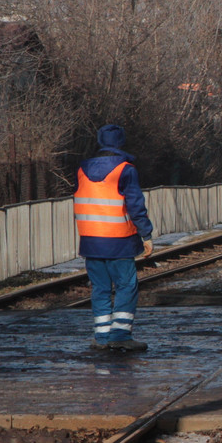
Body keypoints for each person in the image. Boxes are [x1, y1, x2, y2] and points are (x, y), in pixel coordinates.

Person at [75, 124, 153, 352]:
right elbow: (135, 205)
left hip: (90, 241)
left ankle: (101, 338)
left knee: (99, 288)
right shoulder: (125, 169)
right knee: (126, 286)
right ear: (120, 142)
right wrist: (146, 234)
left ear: (100, 141)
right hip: (119, 241)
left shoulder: (82, 169)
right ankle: (120, 335)